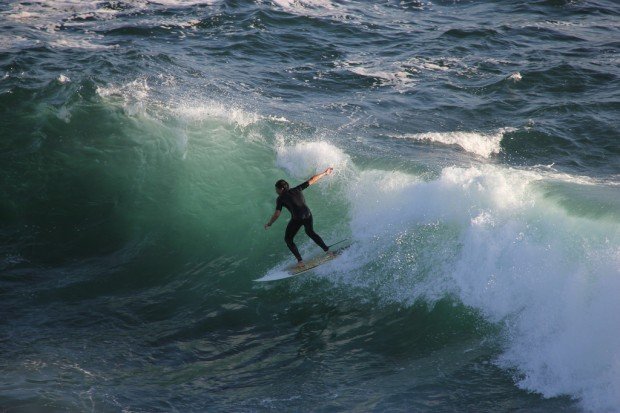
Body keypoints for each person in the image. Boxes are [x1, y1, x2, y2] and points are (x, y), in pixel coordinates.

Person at [264, 167, 334, 268]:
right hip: (308, 215)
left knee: (288, 239)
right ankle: (328, 251)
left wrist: (269, 223)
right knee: (311, 232)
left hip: (297, 218)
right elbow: (312, 180)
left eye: (276, 189)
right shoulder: (297, 189)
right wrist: (325, 173)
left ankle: (300, 261)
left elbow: (277, 214)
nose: (276, 191)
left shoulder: (280, 198)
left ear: (281, 189)